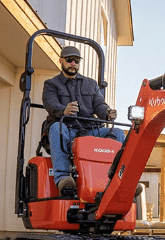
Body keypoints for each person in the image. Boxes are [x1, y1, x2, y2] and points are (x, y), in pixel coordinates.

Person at [42, 46, 125, 196]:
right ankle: (63, 179)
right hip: (67, 128)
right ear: (61, 61)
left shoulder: (91, 84)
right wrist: (64, 110)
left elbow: (99, 104)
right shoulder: (51, 84)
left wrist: (107, 113)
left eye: (76, 60)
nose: (73, 63)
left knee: (119, 133)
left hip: (90, 130)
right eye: (69, 60)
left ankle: (119, 181)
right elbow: (50, 104)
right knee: (56, 128)